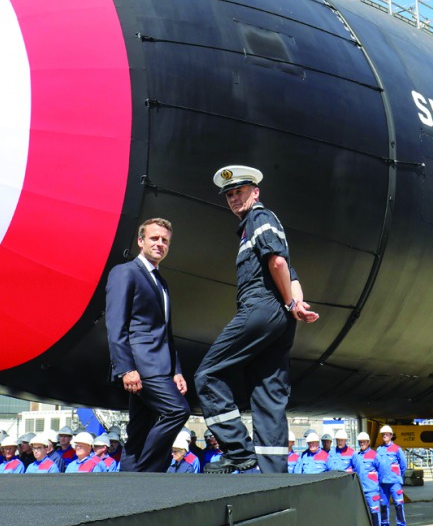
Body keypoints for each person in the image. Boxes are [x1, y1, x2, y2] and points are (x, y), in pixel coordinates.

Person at [195, 165, 319, 474]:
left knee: (208, 374)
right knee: (268, 392)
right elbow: (289, 271)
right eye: (229, 195)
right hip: (281, 318)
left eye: (240, 191)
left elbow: (277, 263)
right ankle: (273, 473)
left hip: (261, 308)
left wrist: (289, 301)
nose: (234, 198)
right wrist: (296, 305)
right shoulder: (260, 223)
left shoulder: (259, 218)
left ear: (256, 192)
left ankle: (238, 450)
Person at [105, 217, 190, 473]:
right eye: (154, 238)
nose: (160, 244)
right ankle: (149, 473)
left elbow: (166, 333)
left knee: (140, 430)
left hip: (160, 365)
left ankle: (129, 482)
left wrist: (176, 370)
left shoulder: (161, 281)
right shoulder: (125, 272)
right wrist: (126, 369)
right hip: (142, 366)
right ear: (141, 241)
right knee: (177, 411)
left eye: (165, 240)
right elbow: (116, 325)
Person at [375, 425, 407, 526]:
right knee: (383, 506)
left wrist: (397, 476)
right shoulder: (379, 450)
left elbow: (403, 465)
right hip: (383, 483)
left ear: (391, 435)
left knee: (398, 505)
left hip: (395, 483)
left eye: (387, 434)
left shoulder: (397, 449)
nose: (385, 436)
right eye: (383, 434)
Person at [354, 432, 383, 526]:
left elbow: (381, 471)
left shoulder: (374, 455)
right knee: (362, 514)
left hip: (372, 490)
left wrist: (376, 484)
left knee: (374, 512)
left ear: (368, 442)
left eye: (364, 442)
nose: (362, 443)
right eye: (360, 442)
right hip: (360, 490)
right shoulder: (357, 456)